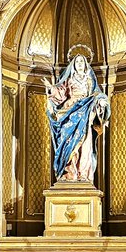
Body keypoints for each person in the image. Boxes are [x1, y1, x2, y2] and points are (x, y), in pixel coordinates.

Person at [44, 52, 110, 183]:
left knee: (85, 144)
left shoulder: (90, 80)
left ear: (85, 65)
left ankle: (83, 174)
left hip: (85, 114)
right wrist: (52, 89)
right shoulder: (69, 79)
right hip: (70, 112)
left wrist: (102, 102)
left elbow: (98, 95)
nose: (79, 64)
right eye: (77, 62)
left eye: (82, 62)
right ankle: (70, 173)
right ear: (73, 65)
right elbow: (61, 93)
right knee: (68, 143)